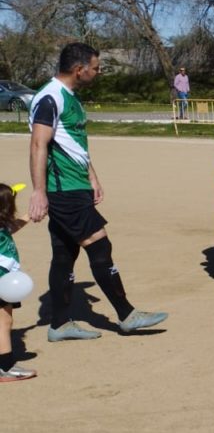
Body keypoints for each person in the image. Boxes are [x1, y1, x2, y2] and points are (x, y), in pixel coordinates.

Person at [28, 42, 168, 341]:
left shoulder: (71, 98)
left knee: (64, 255)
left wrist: (93, 177)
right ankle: (127, 315)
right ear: (79, 70)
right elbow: (39, 144)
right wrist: (39, 191)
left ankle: (60, 324)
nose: (99, 71)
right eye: (96, 67)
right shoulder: (50, 98)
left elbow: (74, 144)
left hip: (76, 185)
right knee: (100, 246)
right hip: (62, 189)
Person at [0, 182, 35, 381]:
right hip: (2, 279)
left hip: (5, 279)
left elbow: (10, 229)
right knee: (4, 322)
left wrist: (29, 217)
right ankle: (5, 367)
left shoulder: (2, 226)